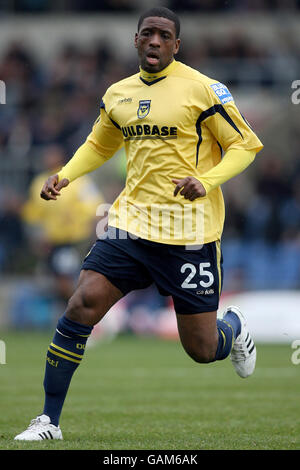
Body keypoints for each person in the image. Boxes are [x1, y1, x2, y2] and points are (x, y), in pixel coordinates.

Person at [15, 7, 263, 441]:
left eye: (163, 35)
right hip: (131, 224)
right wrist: (66, 175)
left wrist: (205, 181)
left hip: (190, 233)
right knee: (81, 304)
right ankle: (48, 421)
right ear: (135, 40)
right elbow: (99, 144)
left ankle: (234, 327)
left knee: (202, 350)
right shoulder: (118, 94)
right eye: (147, 33)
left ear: (176, 45)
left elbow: (245, 145)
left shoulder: (204, 89)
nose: (154, 41)